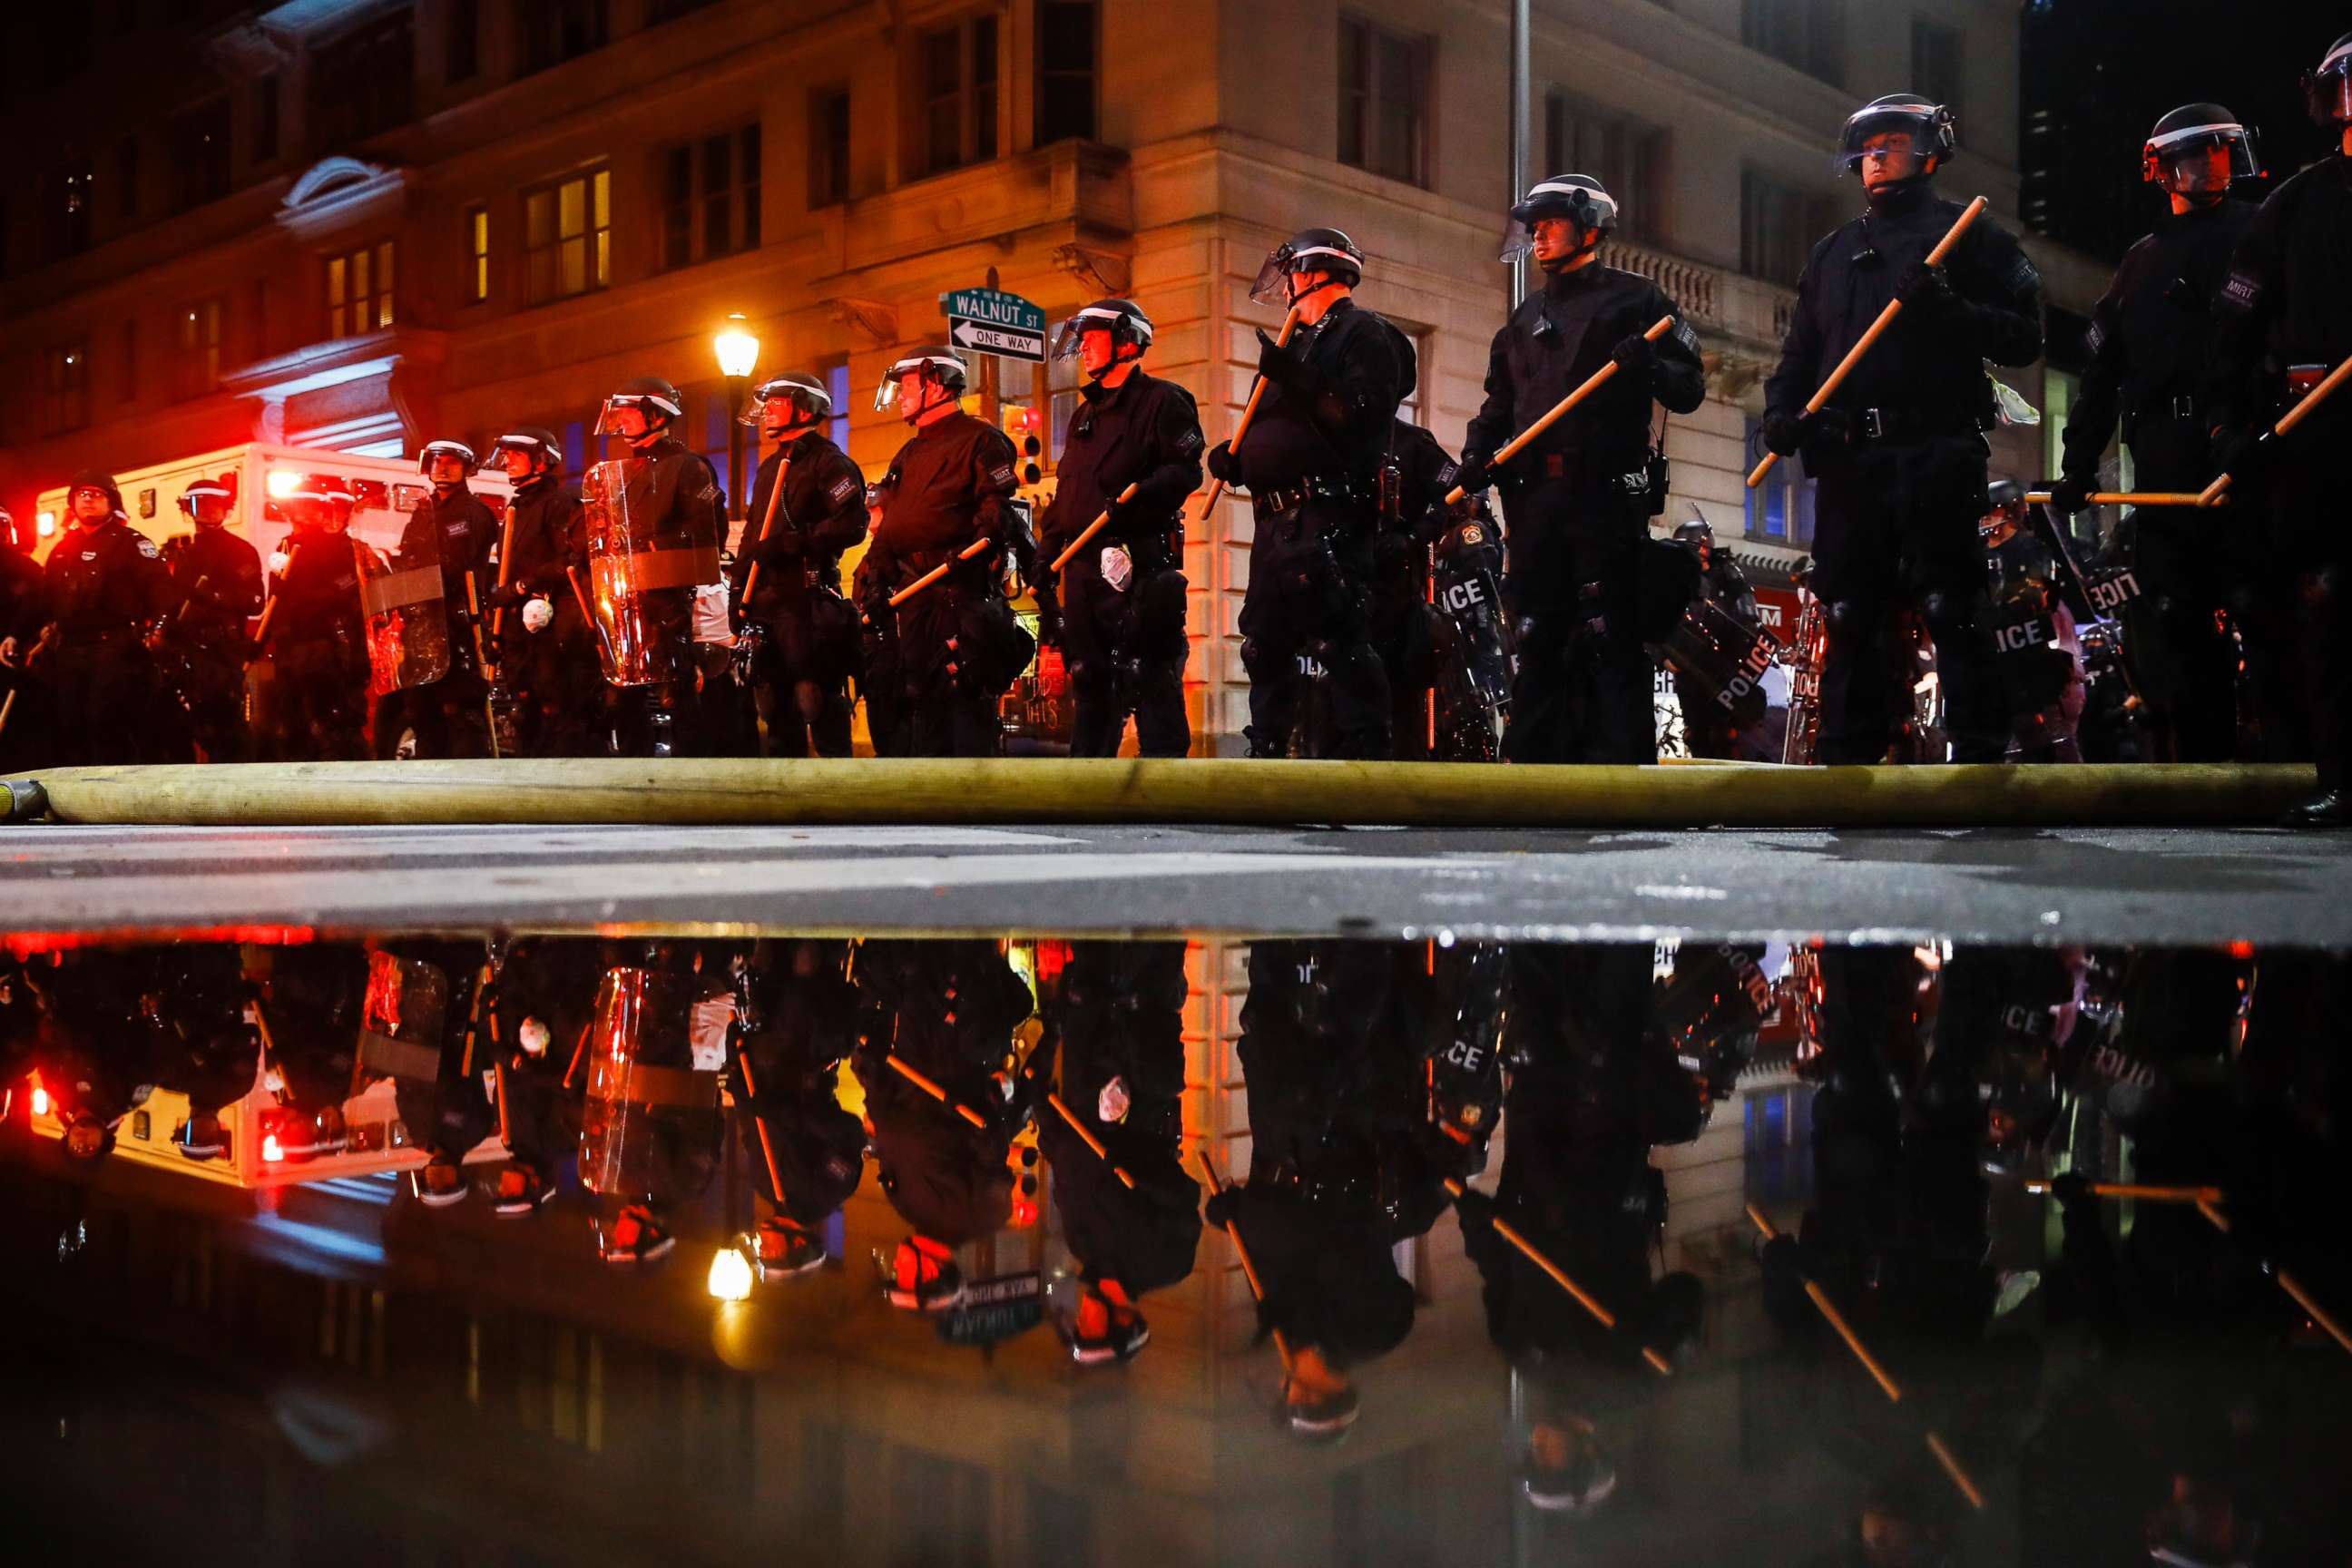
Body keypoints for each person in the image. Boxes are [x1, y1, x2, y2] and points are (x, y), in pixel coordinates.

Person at [1759, 95, 2045, 764]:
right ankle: (1846, 757)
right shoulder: (1831, 253)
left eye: (1891, 144)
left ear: (1929, 151)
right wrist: (1780, 411)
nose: (1876, 158)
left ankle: (1979, 751)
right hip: (1850, 457)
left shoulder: (1969, 233)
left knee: (1951, 602)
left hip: (1935, 448)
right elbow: (1800, 353)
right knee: (1850, 611)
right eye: (1868, 147)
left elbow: (2026, 336)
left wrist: (1952, 309)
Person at [1459, 175, 1709, 764]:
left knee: (1608, 630)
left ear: (1589, 227)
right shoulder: (1522, 320)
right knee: (1537, 632)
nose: (1538, 234)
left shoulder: (1639, 301)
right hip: (1534, 498)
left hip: (1602, 494)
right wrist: (1475, 456)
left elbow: (1689, 386)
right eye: (1534, 225)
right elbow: (1499, 406)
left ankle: (1624, 771)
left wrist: (1647, 365)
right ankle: (1531, 769)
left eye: (1551, 222)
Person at [2052, 104, 2263, 765]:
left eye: (2220, 152)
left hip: (2249, 453)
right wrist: (2078, 462)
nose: (2209, 165)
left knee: (2265, 607)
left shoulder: (2261, 232)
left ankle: (2289, 764)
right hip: (2164, 464)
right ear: (2163, 167)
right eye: (2196, 154)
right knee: (2175, 616)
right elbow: (2101, 374)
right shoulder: (2138, 265)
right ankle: (2205, 768)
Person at [2207, 33, 2352, 825]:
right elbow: (2233, 330)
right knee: (2329, 603)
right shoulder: (2292, 206)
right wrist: (2231, 423)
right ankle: (2341, 776)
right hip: (2322, 432)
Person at [1209, 228, 1415, 758]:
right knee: (1263, 645)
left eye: (1291, 275)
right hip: (1275, 521)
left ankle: (1369, 756)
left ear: (1315, 273)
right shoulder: (1297, 343)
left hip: (1329, 516)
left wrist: (1296, 377)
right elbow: (1285, 431)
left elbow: (1357, 418)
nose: (1284, 290)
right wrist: (1238, 459)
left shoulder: (1365, 334)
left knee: (1339, 640)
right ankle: (1267, 751)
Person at [1036, 299, 1204, 758]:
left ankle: (1167, 788)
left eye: (1093, 336)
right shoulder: (1083, 415)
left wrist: (1140, 497)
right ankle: (1089, 789)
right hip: (1082, 568)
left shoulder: (1164, 402)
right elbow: (1068, 494)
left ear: (1127, 342)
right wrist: (1046, 549)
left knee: (1148, 671)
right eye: (1082, 337)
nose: (1084, 347)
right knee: (1089, 678)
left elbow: (1186, 471)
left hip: (1136, 564)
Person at [858, 348, 1030, 757]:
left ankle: (976, 808)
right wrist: (878, 579)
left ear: (934, 383)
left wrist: (978, 545)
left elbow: (997, 507)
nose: (901, 395)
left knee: (963, 699)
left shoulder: (981, 440)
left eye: (909, 386)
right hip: (913, 600)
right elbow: (891, 526)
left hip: (958, 595)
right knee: (920, 699)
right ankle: (930, 812)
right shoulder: (908, 454)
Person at [733, 373, 869, 758]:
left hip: (806, 602)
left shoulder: (830, 463)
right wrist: (737, 591)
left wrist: (795, 542)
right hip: (764, 604)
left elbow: (852, 523)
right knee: (772, 703)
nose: (768, 412)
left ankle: (834, 791)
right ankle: (783, 801)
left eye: (777, 402)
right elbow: (752, 537)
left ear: (804, 407)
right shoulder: (767, 469)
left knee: (815, 698)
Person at [587, 377, 725, 758]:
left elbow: (710, 529)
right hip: (628, 601)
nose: (622, 420)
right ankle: (637, 781)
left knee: (677, 696)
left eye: (629, 411)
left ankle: (691, 782)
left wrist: (656, 546)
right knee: (622, 697)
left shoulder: (689, 467)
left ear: (654, 414)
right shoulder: (624, 474)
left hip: (671, 603)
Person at [36, 470, 175, 766]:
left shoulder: (131, 543)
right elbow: (44, 597)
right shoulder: (62, 549)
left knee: (107, 723)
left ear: (111, 501)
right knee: (70, 723)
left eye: (97, 494)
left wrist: (160, 628)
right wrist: (22, 631)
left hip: (114, 648)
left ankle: (112, 802)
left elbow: (161, 589)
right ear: (71, 503)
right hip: (70, 650)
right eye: (81, 494)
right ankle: (75, 801)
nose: (88, 500)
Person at [486, 427, 598, 757]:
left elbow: (571, 559)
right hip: (522, 636)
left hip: (555, 632)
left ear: (542, 461)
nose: (508, 461)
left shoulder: (560, 503)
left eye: (517, 455)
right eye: (506, 455)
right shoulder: (515, 509)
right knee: (526, 715)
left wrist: (522, 586)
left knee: (559, 718)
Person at [389, 439, 497, 758]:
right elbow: (407, 557)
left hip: (457, 628)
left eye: (452, 462)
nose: (443, 468)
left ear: (466, 469)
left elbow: (462, 566)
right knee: (422, 714)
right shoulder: (422, 512)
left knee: (460, 717)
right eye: (437, 462)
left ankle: (469, 793)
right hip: (422, 629)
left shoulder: (474, 512)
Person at [256, 475, 371, 760]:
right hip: (292, 652)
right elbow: (274, 600)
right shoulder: (285, 545)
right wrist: (264, 639)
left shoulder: (342, 548)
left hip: (332, 650)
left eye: (314, 508)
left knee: (336, 728)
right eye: (302, 508)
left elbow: (350, 587)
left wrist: (315, 597)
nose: (309, 515)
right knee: (292, 726)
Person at [159, 475, 263, 763]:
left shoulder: (241, 551)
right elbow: (170, 605)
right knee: (177, 733)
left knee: (227, 736)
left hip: (222, 658)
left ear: (227, 508)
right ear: (187, 508)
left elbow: (256, 602)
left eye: (216, 504)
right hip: (184, 658)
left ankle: (235, 801)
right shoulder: (184, 556)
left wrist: (215, 597)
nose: (208, 510)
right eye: (200, 504)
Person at [1668, 513, 1766, 760]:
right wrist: (1663, 657)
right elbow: (1657, 619)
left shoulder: (1729, 576)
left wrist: (1739, 656)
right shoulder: (1675, 579)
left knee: (1726, 735)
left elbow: (1748, 618)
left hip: (1725, 670)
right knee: (1697, 735)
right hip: (1689, 670)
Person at [0, 505, 51, 772]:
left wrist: (21, 637)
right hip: (12, 653)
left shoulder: (25, 569)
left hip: (14, 660)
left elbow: (38, 607)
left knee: (18, 730)